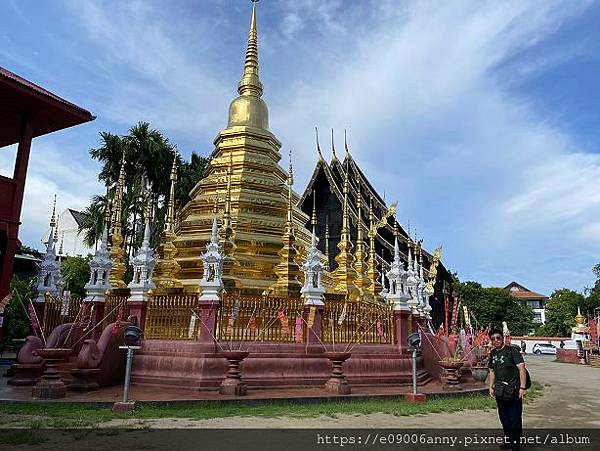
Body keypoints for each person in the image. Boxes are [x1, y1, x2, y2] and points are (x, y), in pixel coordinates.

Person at [488, 328, 527, 450]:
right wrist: (491, 386)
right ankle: (509, 440)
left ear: (502, 338)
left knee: (514, 417)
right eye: (493, 339)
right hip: (500, 389)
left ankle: (516, 444)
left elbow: (522, 368)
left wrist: (522, 387)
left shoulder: (512, 351)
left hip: (513, 389)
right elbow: (492, 371)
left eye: (498, 338)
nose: (496, 341)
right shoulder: (493, 353)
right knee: (504, 417)